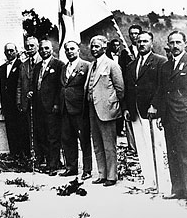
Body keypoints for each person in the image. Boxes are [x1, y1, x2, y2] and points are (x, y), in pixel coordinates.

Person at [123, 31, 170, 192]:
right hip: (135, 111)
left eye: (145, 41)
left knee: (155, 146)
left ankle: (161, 182)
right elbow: (129, 89)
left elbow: (162, 87)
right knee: (142, 147)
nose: (141, 44)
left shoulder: (160, 62)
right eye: (139, 41)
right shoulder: (131, 65)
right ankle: (149, 180)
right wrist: (127, 108)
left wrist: (155, 105)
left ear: (151, 43)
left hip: (151, 112)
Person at [86, 35, 124, 187]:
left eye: (97, 46)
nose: (94, 49)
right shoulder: (91, 65)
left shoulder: (111, 65)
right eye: (92, 46)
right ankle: (102, 174)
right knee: (97, 144)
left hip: (107, 111)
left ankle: (112, 176)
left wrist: (112, 105)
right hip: (93, 110)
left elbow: (120, 89)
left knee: (109, 145)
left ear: (104, 47)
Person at [155, 31, 187, 199]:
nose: (175, 46)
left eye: (178, 42)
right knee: (173, 153)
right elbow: (161, 91)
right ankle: (178, 190)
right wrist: (161, 114)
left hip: (184, 116)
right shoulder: (166, 66)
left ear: (185, 44)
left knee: (185, 154)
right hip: (169, 117)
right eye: (172, 43)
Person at [28, 39, 64, 176]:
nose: (44, 51)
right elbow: (35, 83)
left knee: (53, 136)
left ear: (52, 49)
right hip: (39, 107)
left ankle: (53, 165)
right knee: (42, 135)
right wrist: (32, 92)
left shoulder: (58, 65)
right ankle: (47, 162)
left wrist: (56, 103)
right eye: (42, 49)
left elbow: (60, 86)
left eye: (47, 48)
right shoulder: (37, 66)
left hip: (52, 107)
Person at [59, 41, 92, 180]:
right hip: (64, 108)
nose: (69, 51)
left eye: (72, 49)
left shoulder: (86, 66)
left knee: (84, 140)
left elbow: (89, 87)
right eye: (67, 49)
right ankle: (71, 168)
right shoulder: (64, 67)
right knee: (67, 139)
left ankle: (87, 169)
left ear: (78, 50)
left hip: (80, 109)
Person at [0, 42, 28, 157]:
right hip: (7, 106)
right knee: (10, 131)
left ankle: (23, 156)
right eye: (7, 51)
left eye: (11, 50)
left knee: (21, 130)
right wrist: (3, 105)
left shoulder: (22, 65)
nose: (9, 53)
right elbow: (2, 88)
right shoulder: (2, 68)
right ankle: (14, 154)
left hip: (18, 104)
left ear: (16, 51)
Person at [16, 37, 41, 163]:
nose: (29, 48)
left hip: (41, 103)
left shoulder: (43, 61)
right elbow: (20, 84)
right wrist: (19, 101)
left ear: (37, 46)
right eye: (27, 46)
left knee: (41, 130)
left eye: (32, 46)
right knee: (29, 129)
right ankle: (33, 156)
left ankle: (44, 157)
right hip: (27, 102)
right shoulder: (23, 64)